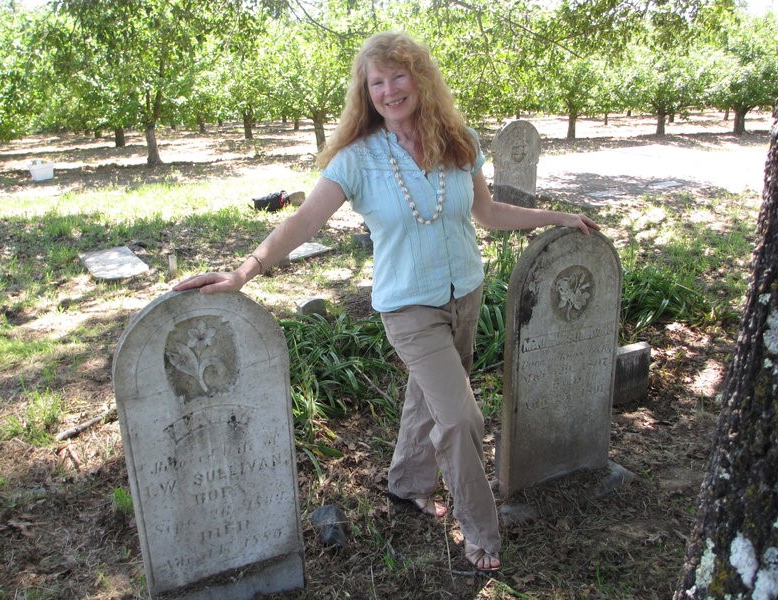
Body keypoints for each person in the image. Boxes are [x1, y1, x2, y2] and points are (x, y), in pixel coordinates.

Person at [174, 31, 599, 573]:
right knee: (461, 417)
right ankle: (480, 529)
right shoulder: (356, 161)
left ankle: (406, 484)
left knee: (430, 397)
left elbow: (488, 214)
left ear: (419, 79)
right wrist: (243, 271)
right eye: (377, 82)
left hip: (464, 293)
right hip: (408, 309)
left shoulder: (460, 141)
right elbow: (304, 221)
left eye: (399, 76)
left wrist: (557, 217)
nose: (389, 90)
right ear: (365, 92)